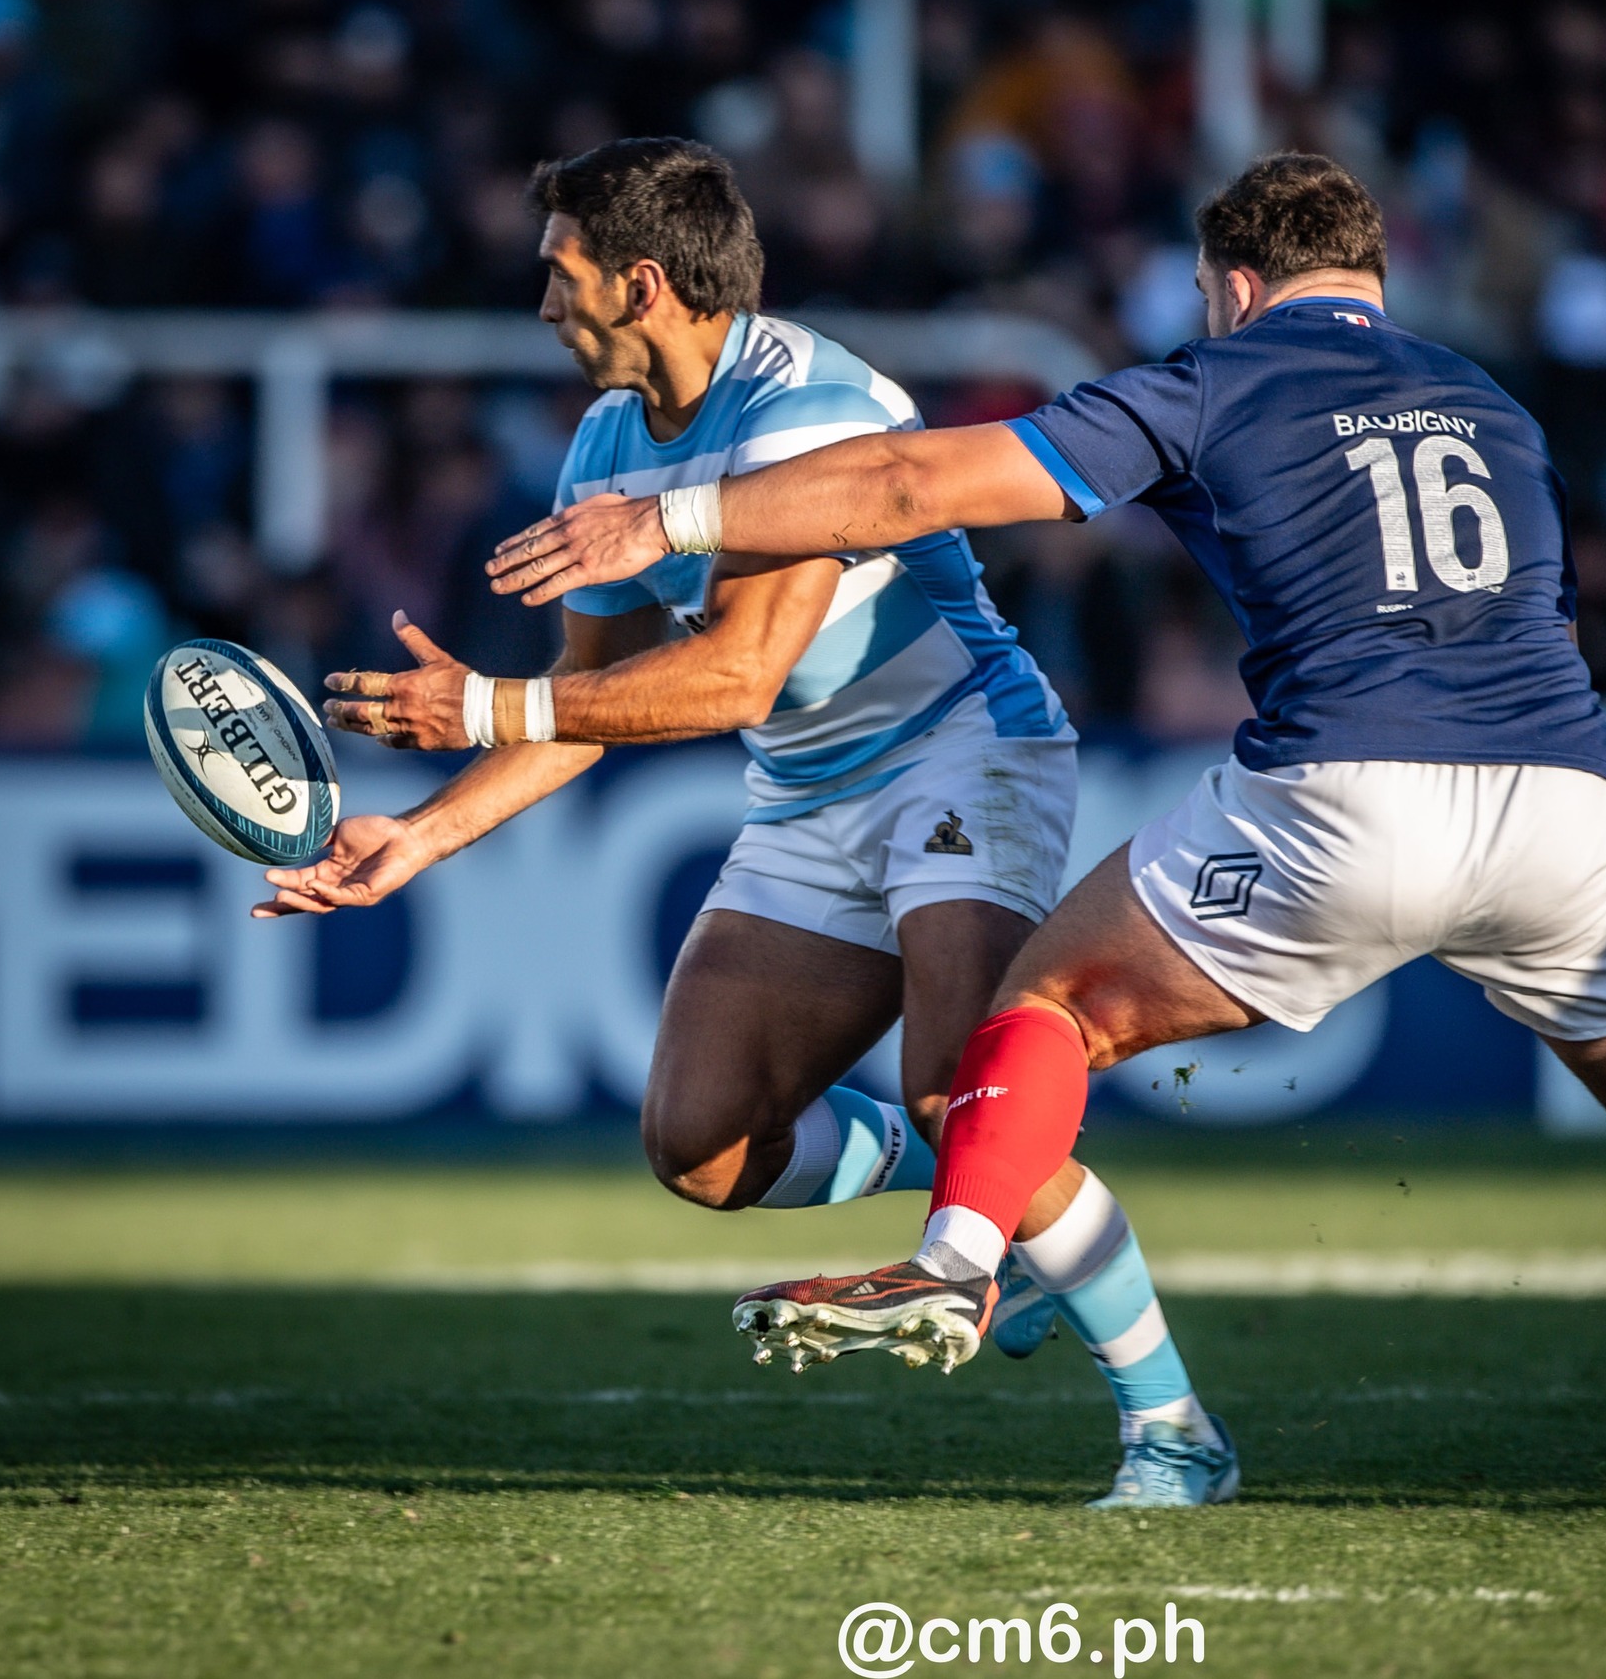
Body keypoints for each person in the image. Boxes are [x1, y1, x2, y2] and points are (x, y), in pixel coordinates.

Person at [486, 152, 1606, 1520]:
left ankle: (962, 1256)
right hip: (1572, 805)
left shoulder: (1218, 377)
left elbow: (912, 486)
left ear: (1231, 285)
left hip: (1350, 791)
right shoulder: (1493, 402)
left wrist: (669, 518)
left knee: (1041, 1010)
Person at [253, 138, 1233, 1510]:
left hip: (962, 754)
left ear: (643, 283)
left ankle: (1174, 1429)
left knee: (951, 1085)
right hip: (808, 792)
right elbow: (587, 703)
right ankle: (986, 1183)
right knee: (703, 1148)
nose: (545, 302)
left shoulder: (805, 408)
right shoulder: (606, 441)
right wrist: (422, 834)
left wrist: (476, 705)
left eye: (563, 273)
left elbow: (736, 677)